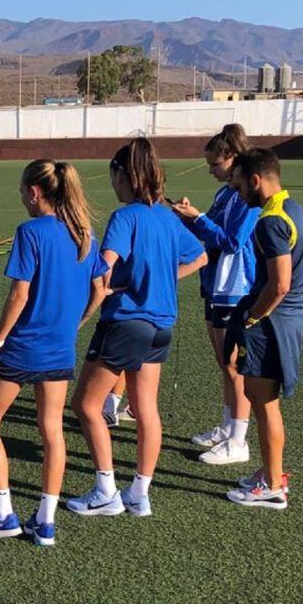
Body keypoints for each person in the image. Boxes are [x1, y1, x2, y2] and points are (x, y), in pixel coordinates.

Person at [0, 160, 106, 547]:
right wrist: (73, 325)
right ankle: (45, 521)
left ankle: (2, 513)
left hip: (22, 348)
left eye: (22, 190)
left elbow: (19, 294)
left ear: (35, 192)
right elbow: (99, 288)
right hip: (59, 351)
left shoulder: (31, 232)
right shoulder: (84, 234)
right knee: (52, 431)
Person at [67, 138, 207, 518]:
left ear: (123, 176)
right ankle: (139, 493)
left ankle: (105, 490)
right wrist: (162, 279)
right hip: (161, 326)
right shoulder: (165, 215)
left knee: (85, 404)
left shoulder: (125, 217)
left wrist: (98, 298)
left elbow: (104, 268)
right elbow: (201, 255)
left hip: (127, 322)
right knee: (146, 408)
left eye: (113, 176)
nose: (112, 184)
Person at [225, 148, 303, 509]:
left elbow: (280, 284)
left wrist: (254, 317)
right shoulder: (298, 211)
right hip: (289, 319)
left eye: (240, 186)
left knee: (264, 404)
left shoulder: (271, 220)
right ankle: (270, 471)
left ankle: (272, 486)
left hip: (270, 325)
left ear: (255, 180)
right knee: (263, 402)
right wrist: (293, 301)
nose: (239, 194)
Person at [171, 124, 260, 465]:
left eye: (214, 164)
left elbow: (233, 241)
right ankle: (227, 427)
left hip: (234, 286)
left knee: (234, 365)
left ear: (233, 159)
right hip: (215, 284)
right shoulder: (226, 193)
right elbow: (212, 232)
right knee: (225, 364)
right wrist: (190, 219)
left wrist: (200, 220)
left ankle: (238, 440)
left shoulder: (246, 198)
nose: (210, 170)